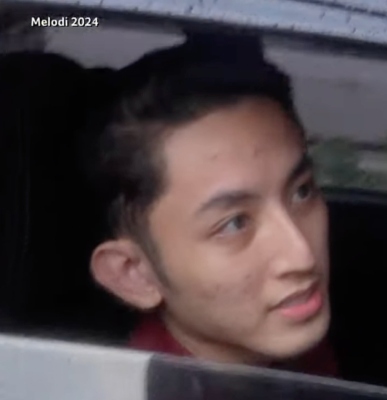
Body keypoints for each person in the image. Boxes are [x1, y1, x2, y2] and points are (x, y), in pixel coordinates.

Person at [82, 34, 337, 376]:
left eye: (301, 192)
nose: (302, 256)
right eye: (234, 224)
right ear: (135, 274)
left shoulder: (285, 348)